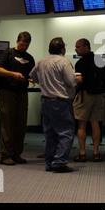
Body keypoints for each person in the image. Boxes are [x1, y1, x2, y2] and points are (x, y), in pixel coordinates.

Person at [29, 37, 81, 173]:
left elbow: (32, 77)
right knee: (66, 133)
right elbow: (72, 81)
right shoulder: (64, 62)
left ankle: (49, 163)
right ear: (63, 49)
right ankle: (59, 162)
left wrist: (47, 82)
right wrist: (78, 79)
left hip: (45, 101)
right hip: (61, 102)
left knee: (49, 134)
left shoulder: (41, 61)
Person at [0, 31, 35, 166]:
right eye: (22, 44)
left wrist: (31, 79)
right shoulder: (9, 53)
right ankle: (5, 155)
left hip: (22, 93)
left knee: (20, 124)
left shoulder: (30, 58)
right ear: (17, 41)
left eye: (27, 45)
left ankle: (16, 154)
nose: (24, 47)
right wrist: (12, 74)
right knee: (7, 124)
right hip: (7, 92)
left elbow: (30, 74)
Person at [73, 38, 105, 162]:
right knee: (95, 123)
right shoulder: (99, 60)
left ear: (86, 47)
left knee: (82, 124)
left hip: (85, 95)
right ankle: (96, 153)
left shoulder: (80, 63)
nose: (76, 49)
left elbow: (78, 81)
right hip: (98, 95)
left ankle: (82, 153)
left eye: (78, 47)